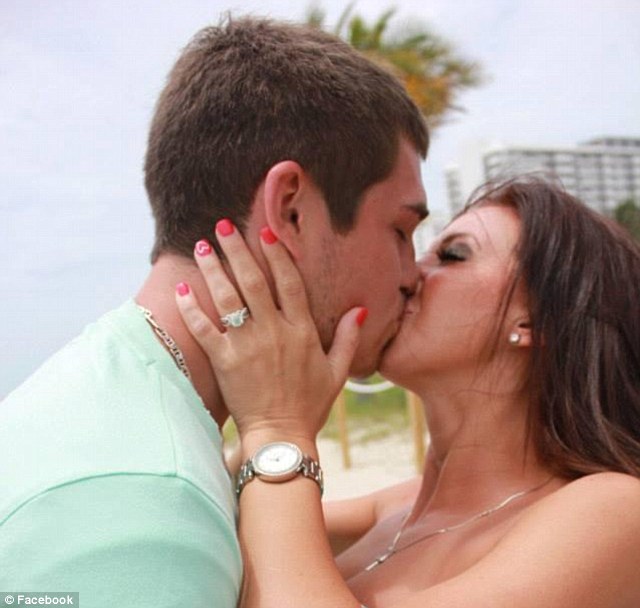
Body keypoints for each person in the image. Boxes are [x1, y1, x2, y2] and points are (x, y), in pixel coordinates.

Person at [0, 16, 428, 606]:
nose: (412, 275)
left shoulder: (114, 392)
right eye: (401, 231)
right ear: (292, 210)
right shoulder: (144, 507)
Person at [176, 177, 640, 607]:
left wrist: (278, 429)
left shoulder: (613, 511)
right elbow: (210, 527)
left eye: (452, 256)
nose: (407, 276)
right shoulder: (395, 509)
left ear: (536, 322)